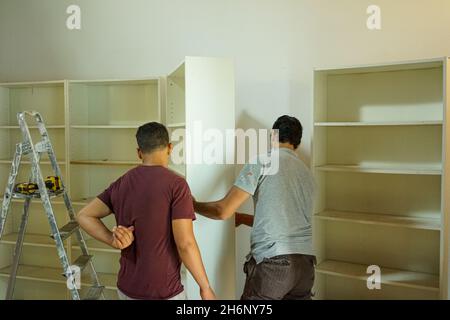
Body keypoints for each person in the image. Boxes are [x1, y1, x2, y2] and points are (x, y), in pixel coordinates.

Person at [77, 122, 215, 300]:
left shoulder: (122, 183)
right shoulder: (177, 185)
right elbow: (185, 244)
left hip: (126, 289)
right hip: (163, 292)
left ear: (139, 152)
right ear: (170, 148)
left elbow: (84, 215)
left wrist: (112, 240)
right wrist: (205, 288)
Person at [194, 115, 316, 300]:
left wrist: (193, 205)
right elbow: (287, 220)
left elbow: (223, 210)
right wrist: (243, 219)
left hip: (274, 264)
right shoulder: (307, 174)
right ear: (297, 143)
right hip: (305, 266)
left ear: (272, 137)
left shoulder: (263, 161)